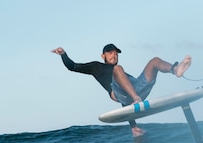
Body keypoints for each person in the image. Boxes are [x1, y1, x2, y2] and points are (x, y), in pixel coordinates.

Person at [51, 43, 192, 137]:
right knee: (118, 71)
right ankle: (137, 99)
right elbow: (73, 66)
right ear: (103, 56)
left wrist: (133, 125)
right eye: (110, 53)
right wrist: (63, 54)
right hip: (121, 94)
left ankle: (176, 69)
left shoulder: (121, 73)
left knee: (154, 61)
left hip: (135, 88)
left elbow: (127, 102)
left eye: (116, 53)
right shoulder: (96, 66)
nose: (114, 55)